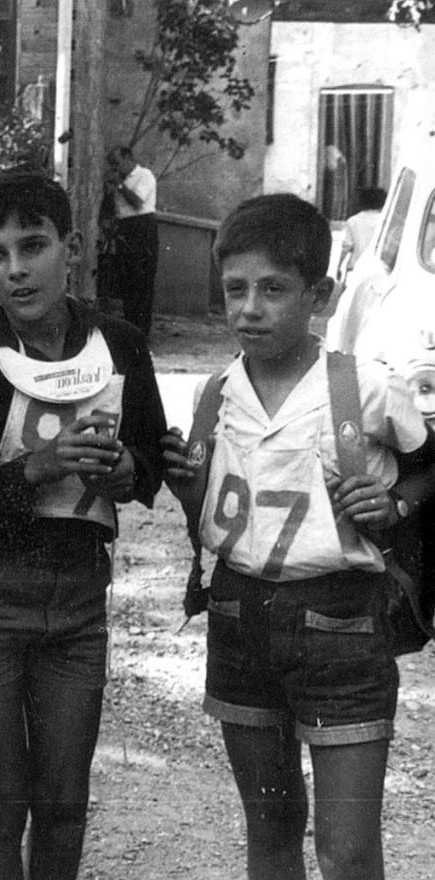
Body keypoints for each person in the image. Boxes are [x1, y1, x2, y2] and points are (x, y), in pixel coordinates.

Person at [161, 193, 435, 880]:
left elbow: (429, 464)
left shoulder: (363, 387)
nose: (250, 309)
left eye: (273, 290)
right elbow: (216, 511)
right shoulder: (214, 393)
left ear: (319, 294)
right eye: (235, 290)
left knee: (346, 851)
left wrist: (396, 503)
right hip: (237, 618)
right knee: (271, 828)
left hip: (341, 625)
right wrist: (184, 482)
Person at [0, 173, 166, 880]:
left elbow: (149, 451)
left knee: (63, 800)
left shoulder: (120, 345)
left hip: (78, 601)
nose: (16, 269)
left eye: (33, 246)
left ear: (72, 248)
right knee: (1, 799)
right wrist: (33, 468)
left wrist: (131, 471)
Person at [103, 145, 159, 337]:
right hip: (124, 228)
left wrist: (119, 185)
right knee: (127, 280)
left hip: (143, 227)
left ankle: (142, 331)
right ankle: (130, 330)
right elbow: (110, 209)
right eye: (112, 165)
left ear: (128, 158)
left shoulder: (144, 175)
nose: (116, 168)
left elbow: (137, 202)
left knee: (143, 279)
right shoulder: (119, 180)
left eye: (118, 163)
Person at [337, 186, 386, 287]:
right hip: (379, 271)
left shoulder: (353, 221)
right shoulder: (385, 220)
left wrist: (338, 265)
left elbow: (346, 246)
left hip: (355, 268)